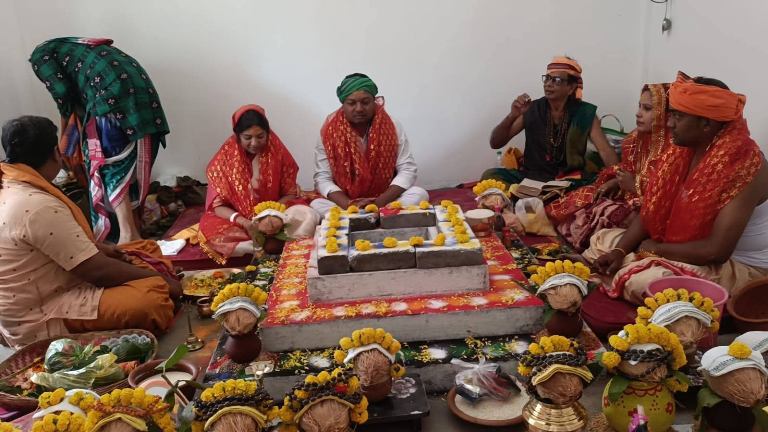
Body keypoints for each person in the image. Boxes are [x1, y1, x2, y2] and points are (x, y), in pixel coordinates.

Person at [584, 72, 768, 305]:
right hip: (682, 250)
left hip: (741, 267)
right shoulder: (681, 150)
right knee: (603, 240)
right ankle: (629, 271)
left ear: (706, 124)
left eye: (678, 117)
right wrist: (619, 252)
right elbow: (651, 213)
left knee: (646, 282)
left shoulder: (744, 164)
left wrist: (656, 249)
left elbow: (716, 251)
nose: (669, 123)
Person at [0, 116, 179, 348]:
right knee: (151, 299)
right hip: (43, 313)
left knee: (144, 249)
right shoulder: (36, 205)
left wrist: (100, 249)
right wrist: (163, 281)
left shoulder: (11, 184)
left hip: (42, 292)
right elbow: (97, 272)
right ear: (55, 153)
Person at [29, 37, 170, 244]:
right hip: (142, 96)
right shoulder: (79, 49)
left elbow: (63, 94)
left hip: (111, 98)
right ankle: (133, 229)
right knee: (129, 166)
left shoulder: (39, 57)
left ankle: (128, 234)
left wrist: (64, 134)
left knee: (107, 165)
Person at [547, 83, 672, 251]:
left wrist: (635, 185)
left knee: (605, 212)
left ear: (666, 115)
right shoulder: (635, 139)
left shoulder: (674, 150)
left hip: (648, 207)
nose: (638, 113)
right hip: (627, 195)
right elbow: (626, 168)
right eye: (639, 106)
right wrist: (614, 181)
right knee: (587, 196)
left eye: (647, 108)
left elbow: (667, 193)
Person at [199, 105, 319, 264]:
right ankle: (264, 245)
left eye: (260, 136)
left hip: (277, 213)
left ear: (268, 133)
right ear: (237, 136)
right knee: (213, 235)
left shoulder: (278, 152)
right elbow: (218, 206)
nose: (254, 143)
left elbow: (290, 193)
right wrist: (245, 223)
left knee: (307, 215)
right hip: (241, 220)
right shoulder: (223, 161)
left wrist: (272, 214)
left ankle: (267, 244)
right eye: (247, 137)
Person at [483, 56, 618, 187]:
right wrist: (512, 115)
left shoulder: (585, 113)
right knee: (490, 175)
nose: (548, 84)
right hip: (531, 178)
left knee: (599, 182)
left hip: (571, 181)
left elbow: (605, 151)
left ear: (571, 88)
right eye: (547, 78)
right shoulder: (532, 108)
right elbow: (495, 143)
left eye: (556, 80)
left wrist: (616, 178)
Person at [310, 73, 429, 216]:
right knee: (316, 204)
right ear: (343, 105)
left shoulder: (391, 125)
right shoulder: (329, 131)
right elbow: (322, 177)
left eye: (365, 102)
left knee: (419, 194)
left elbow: (407, 168)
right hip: (346, 201)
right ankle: (378, 216)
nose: (359, 108)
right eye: (351, 103)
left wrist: (378, 203)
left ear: (375, 101)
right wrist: (349, 205)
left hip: (384, 198)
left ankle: (361, 217)